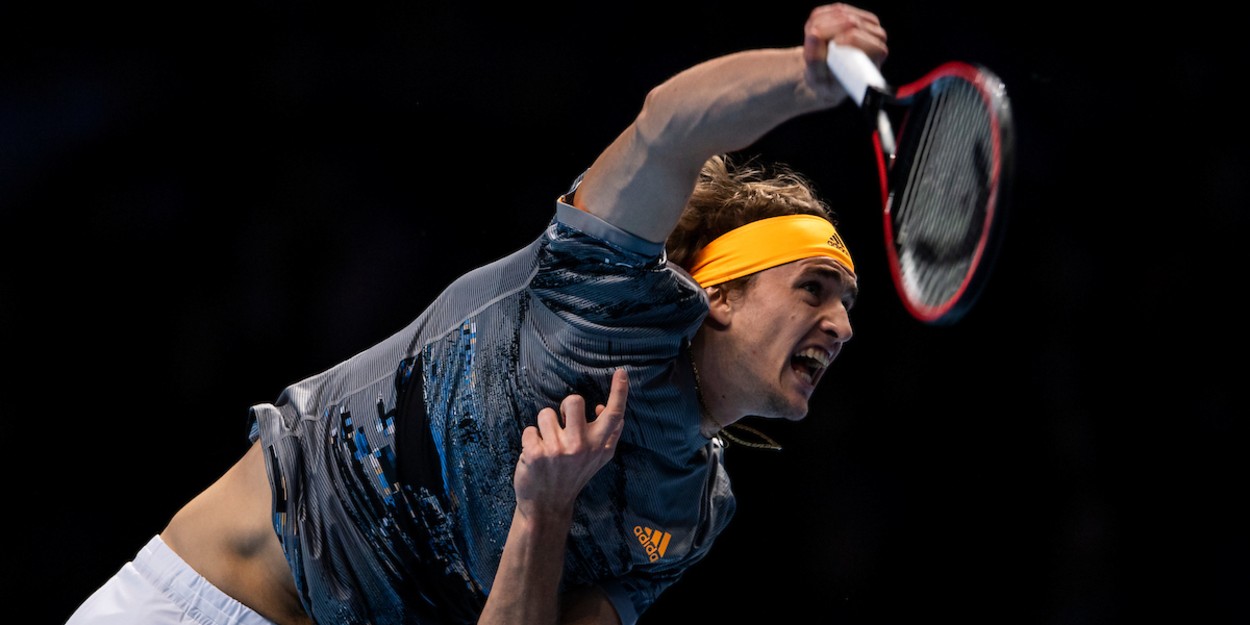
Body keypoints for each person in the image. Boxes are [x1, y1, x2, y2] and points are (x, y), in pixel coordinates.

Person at [65, 4, 888, 625]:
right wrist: (804, 75)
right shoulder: (602, 295)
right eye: (813, 287)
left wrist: (546, 508)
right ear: (716, 294)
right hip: (205, 602)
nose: (841, 325)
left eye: (848, 305)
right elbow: (667, 130)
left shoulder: (691, 509)